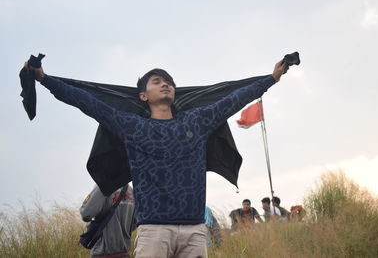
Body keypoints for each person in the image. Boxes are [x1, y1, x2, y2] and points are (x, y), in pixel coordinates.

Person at [25, 57, 289, 258]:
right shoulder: (132, 126)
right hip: (153, 231)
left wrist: (272, 77)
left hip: (195, 231)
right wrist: (44, 78)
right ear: (143, 95)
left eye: (169, 82)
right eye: (157, 81)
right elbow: (88, 102)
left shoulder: (197, 121)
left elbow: (233, 99)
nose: (165, 84)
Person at [80, 184, 135, 258]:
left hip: (102, 253)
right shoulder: (131, 190)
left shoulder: (103, 185)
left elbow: (85, 214)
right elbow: (135, 223)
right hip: (124, 253)